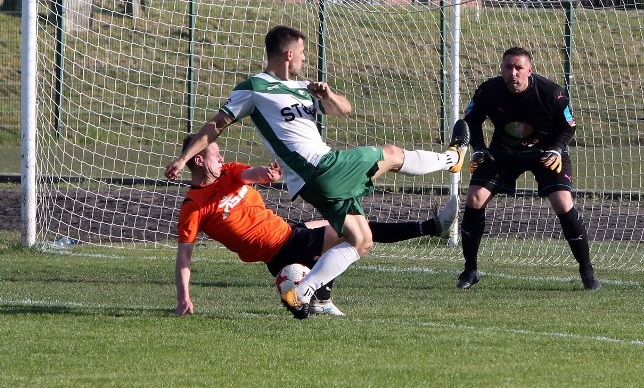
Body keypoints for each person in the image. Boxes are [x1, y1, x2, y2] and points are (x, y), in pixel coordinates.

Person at [165, 24, 470, 318]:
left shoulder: (303, 89)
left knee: (361, 240)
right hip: (320, 168)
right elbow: (216, 124)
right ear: (288, 54)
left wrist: (327, 96)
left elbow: (344, 110)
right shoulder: (254, 88)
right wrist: (183, 159)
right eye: (302, 54)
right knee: (390, 154)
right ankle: (451, 159)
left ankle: (304, 292)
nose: (304, 59)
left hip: (314, 183)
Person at [175, 138, 461, 318]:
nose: (221, 158)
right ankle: (433, 227)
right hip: (281, 249)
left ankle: (319, 298)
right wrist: (184, 297)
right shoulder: (193, 206)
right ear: (198, 160)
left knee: (353, 231)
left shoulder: (229, 172)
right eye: (215, 155)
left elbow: (253, 174)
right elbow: (184, 256)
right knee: (356, 233)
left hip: (290, 234)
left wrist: (267, 174)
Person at [454, 47, 601, 291]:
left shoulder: (552, 93)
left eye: (518, 68)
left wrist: (556, 149)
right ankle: (470, 270)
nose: (513, 73)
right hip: (503, 152)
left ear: (529, 71)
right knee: (474, 198)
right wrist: (478, 148)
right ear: (501, 69)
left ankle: (587, 271)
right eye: (508, 67)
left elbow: (568, 126)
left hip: (545, 153)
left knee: (563, 202)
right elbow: (470, 120)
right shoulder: (488, 90)